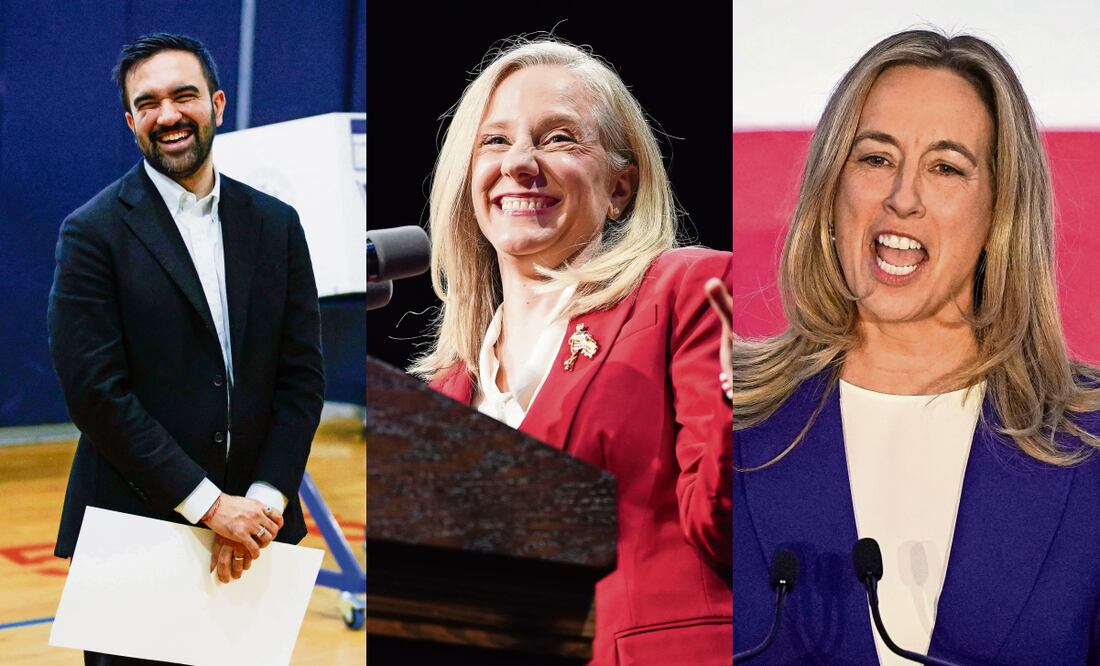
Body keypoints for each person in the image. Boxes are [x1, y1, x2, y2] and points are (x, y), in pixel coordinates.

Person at [732, 30, 1100, 663]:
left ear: (999, 212)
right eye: (875, 158)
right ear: (832, 188)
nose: (902, 198)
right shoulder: (715, 419)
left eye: (946, 168)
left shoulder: (1088, 446)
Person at [414, 38, 732, 665]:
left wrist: (746, 397)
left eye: (560, 138)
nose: (520, 164)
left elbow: (729, 526)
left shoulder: (684, 292)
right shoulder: (443, 393)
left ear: (619, 187)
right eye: (496, 141)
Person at [47, 33, 324, 665]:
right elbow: (96, 395)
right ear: (131, 122)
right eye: (148, 103)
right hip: (135, 530)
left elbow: (302, 378)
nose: (168, 114)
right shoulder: (91, 234)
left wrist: (261, 504)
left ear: (218, 105)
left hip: (254, 536)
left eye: (184, 95)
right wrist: (207, 506)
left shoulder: (276, 225)